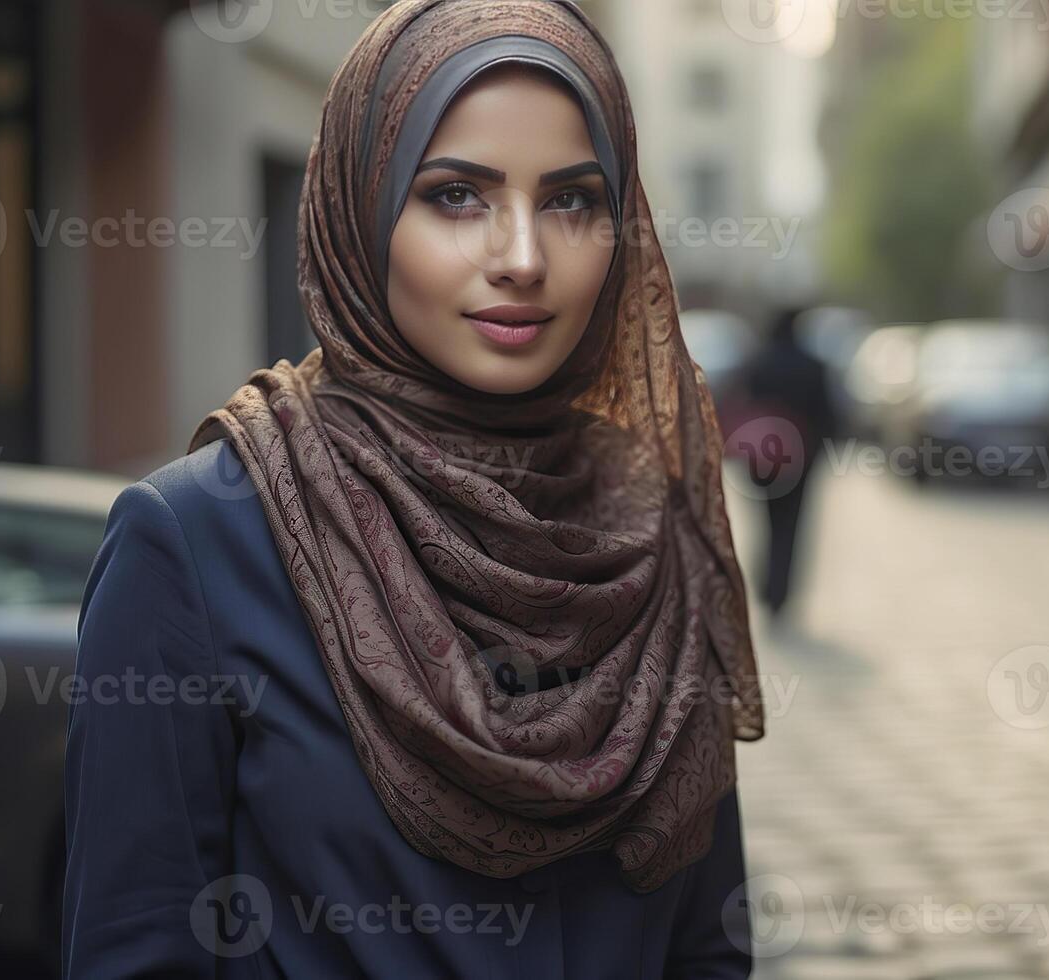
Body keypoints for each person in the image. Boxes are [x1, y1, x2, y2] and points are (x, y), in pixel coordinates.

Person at [62, 3, 763, 976]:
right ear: (361, 208)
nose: (521, 256)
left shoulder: (653, 531)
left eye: (569, 200)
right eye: (455, 195)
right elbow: (135, 949)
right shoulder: (197, 542)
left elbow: (704, 945)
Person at [743, 306, 837, 620]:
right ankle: (780, 591)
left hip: (763, 460)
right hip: (800, 459)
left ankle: (766, 585)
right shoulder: (813, 366)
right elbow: (828, 418)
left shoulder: (757, 363)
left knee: (766, 522)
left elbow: (742, 410)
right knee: (791, 526)